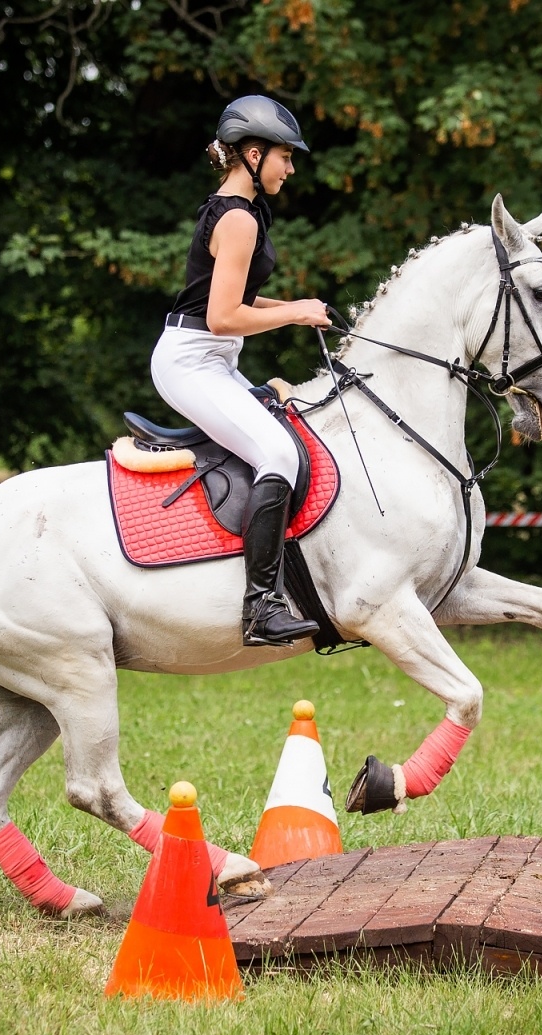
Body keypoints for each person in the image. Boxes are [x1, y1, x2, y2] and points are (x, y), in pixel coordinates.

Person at [152, 95, 331, 648]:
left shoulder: (239, 210)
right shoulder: (236, 218)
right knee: (276, 454)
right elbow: (224, 315)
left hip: (211, 358)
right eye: (285, 156)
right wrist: (295, 313)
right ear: (253, 154)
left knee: (288, 433)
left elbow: (233, 298)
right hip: (191, 362)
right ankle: (260, 607)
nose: (291, 167)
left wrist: (292, 306)